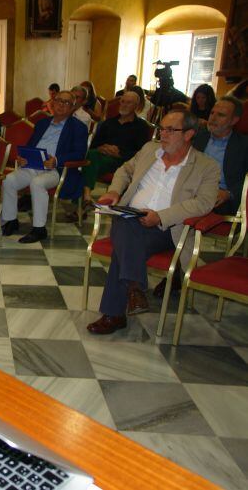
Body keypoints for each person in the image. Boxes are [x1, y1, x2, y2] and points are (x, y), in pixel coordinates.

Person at [86, 110, 220, 335]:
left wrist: (161, 216)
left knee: (124, 240)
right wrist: (114, 192)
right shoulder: (150, 150)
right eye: (161, 129)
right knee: (126, 223)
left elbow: (204, 203)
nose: (163, 135)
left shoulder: (206, 166)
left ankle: (115, 312)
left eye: (170, 130)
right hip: (131, 218)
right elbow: (124, 170)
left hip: (167, 228)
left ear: (188, 134)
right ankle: (134, 288)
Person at [152, 96, 248, 298]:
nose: (212, 118)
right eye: (212, 112)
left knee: (183, 212)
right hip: (190, 190)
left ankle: (180, 271)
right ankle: (178, 267)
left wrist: (229, 193)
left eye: (220, 115)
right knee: (169, 203)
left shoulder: (244, 144)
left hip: (223, 199)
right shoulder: (197, 137)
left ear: (234, 120)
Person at [0, 90, 88, 243]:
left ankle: (39, 229)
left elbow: (80, 154)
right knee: (9, 180)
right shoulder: (42, 123)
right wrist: (24, 158)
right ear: (53, 103)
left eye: (66, 102)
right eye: (58, 100)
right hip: (33, 165)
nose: (61, 104)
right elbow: (31, 145)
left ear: (73, 107)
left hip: (55, 169)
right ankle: (11, 220)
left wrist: (57, 160)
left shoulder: (78, 127)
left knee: (37, 183)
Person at [79, 88, 151, 210]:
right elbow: (94, 144)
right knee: (90, 156)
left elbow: (142, 153)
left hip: (124, 162)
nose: (124, 105)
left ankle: (84, 201)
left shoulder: (141, 127)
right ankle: (86, 199)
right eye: (122, 102)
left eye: (128, 102)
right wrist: (102, 147)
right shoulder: (108, 123)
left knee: (89, 161)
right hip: (102, 158)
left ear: (136, 106)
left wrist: (120, 153)